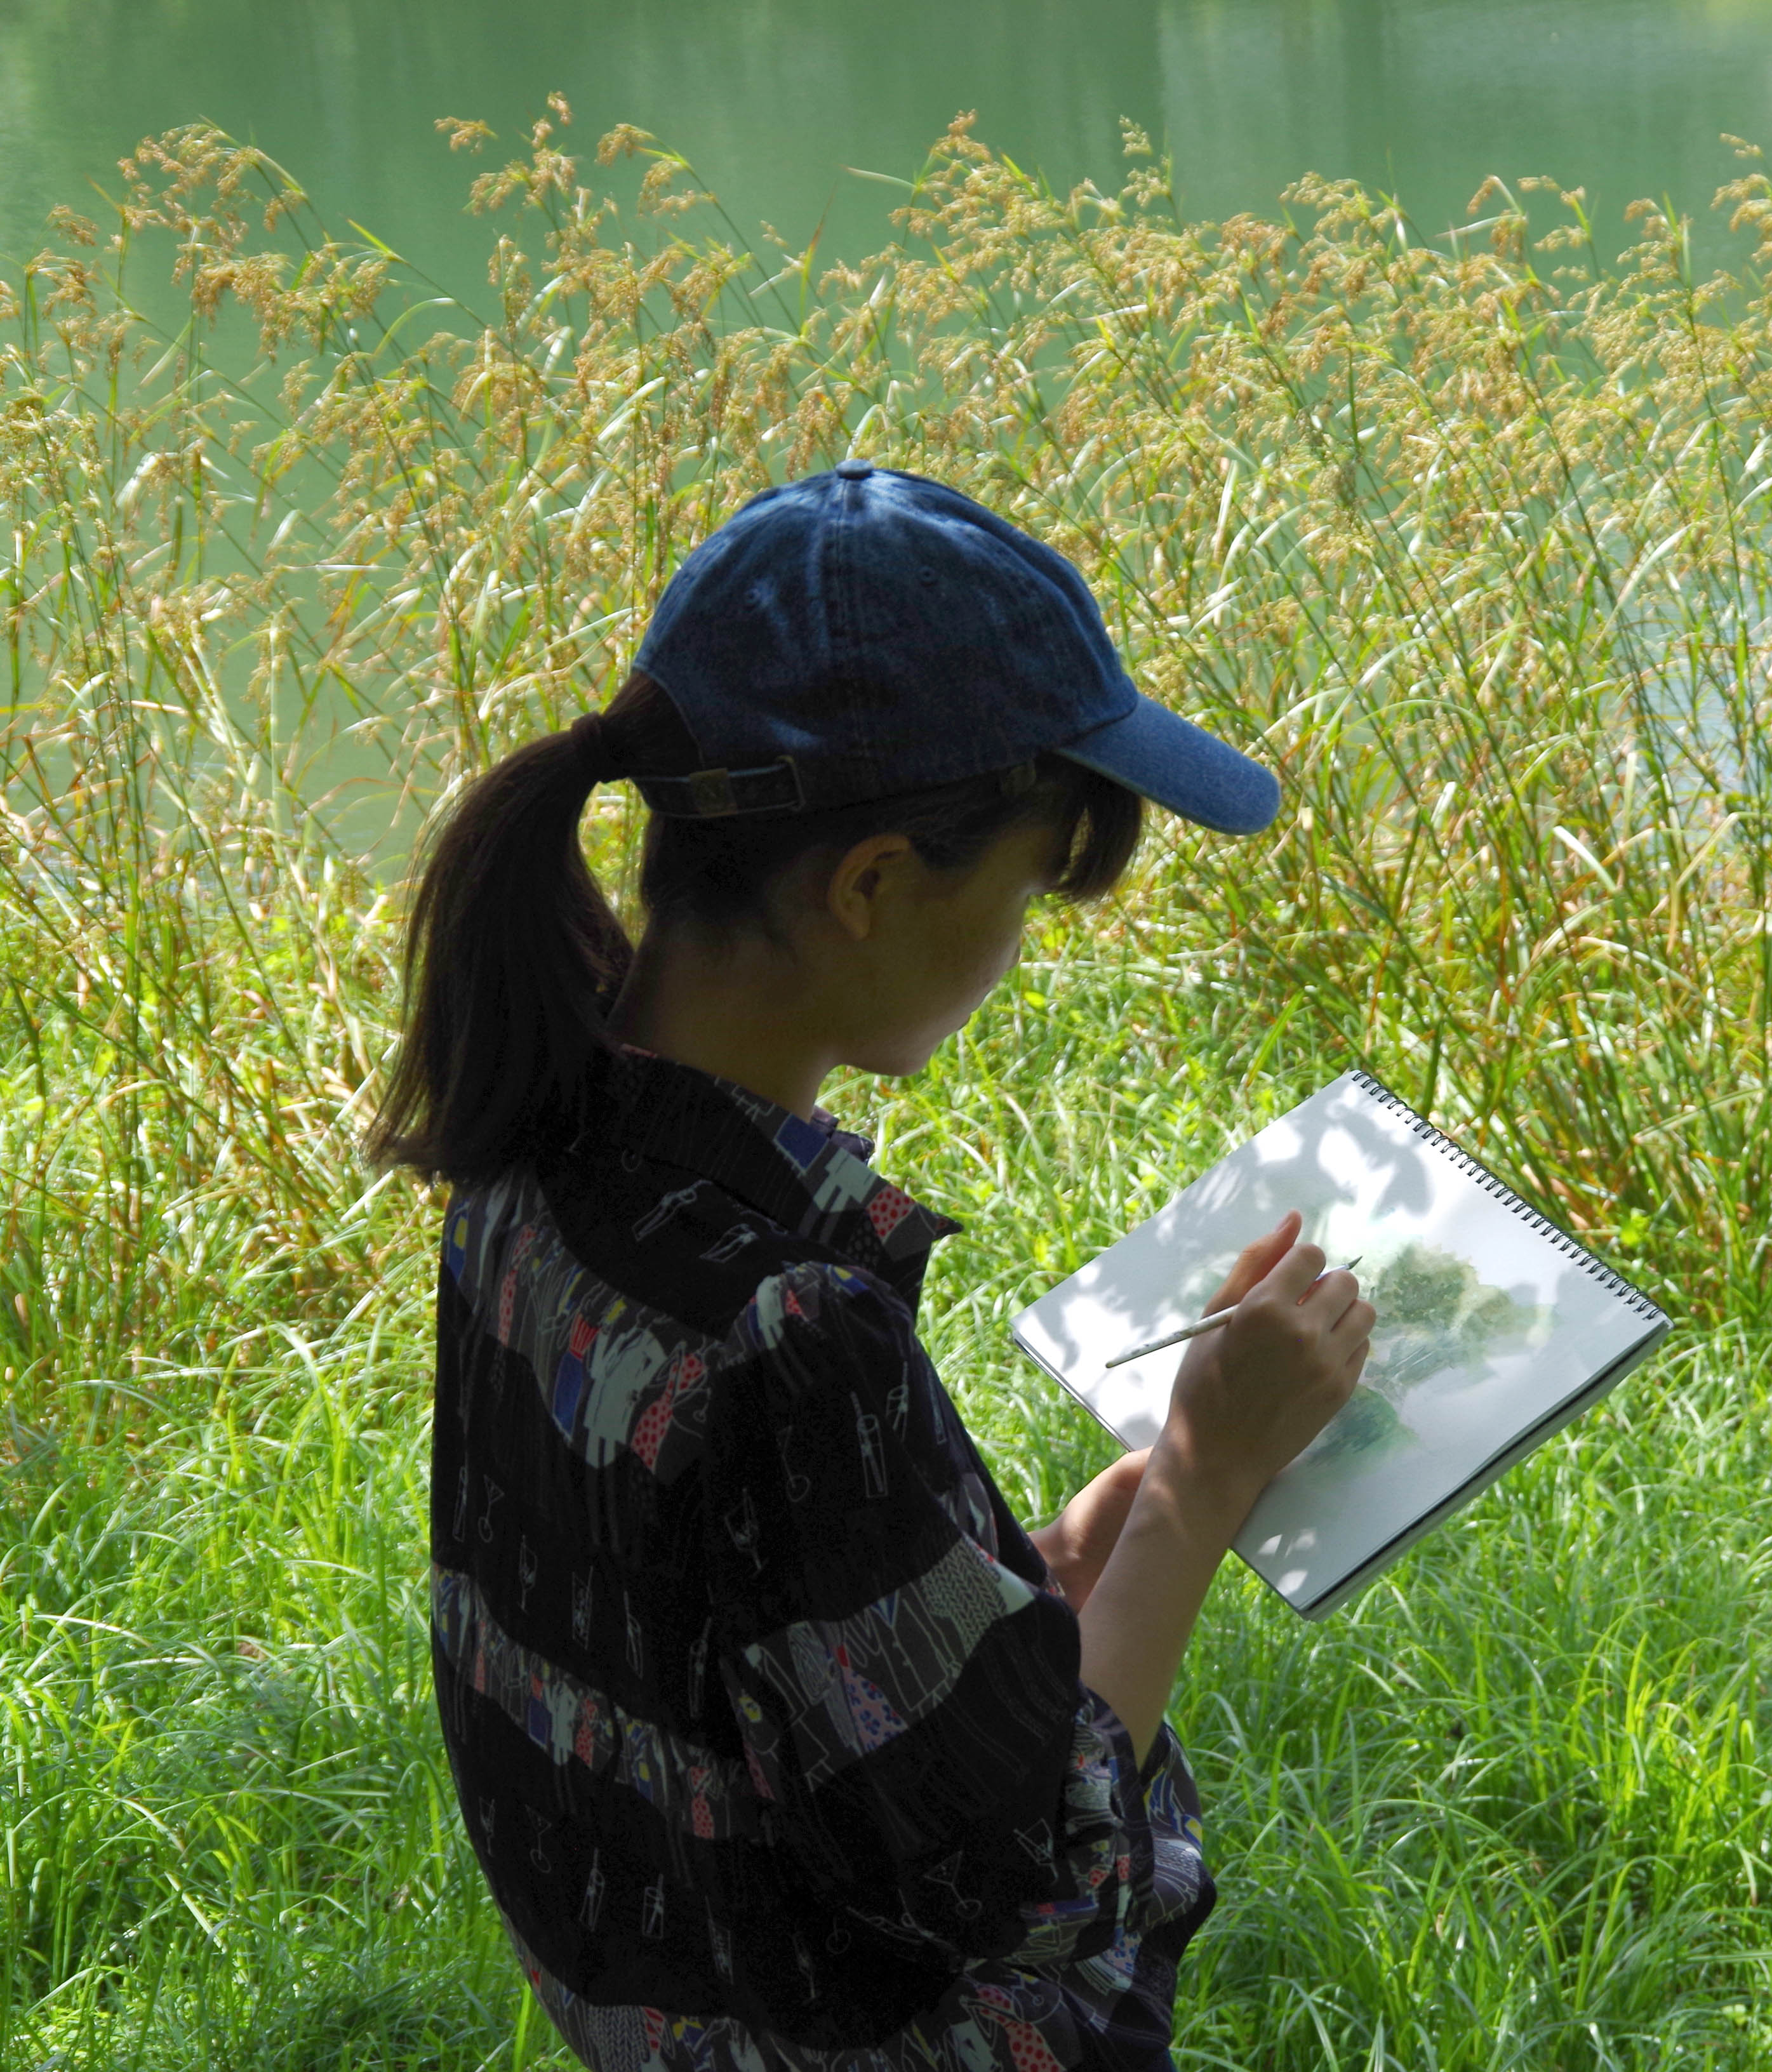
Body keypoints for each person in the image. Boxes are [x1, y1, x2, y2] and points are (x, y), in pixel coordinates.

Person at [367, 462, 1372, 2069]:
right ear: (873, 883)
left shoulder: (529, 1158)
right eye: (1029, 886)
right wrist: (1200, 1479)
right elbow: (1029, 1878)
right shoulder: (783, 1331)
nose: (1021, 941)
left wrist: (1018, 1580)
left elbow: (731, 1644)